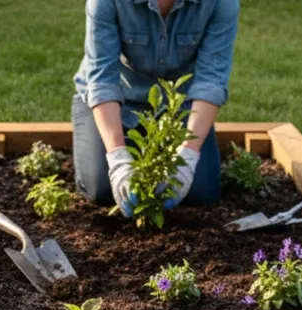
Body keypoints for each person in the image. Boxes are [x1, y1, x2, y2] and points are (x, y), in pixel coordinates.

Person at [72, 0, 240, 217]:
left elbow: (211, 82)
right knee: (101, 189)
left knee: (201, 192)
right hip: (119, 101)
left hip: (178, 104)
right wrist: (118, 158)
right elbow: (102, 81)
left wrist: (188, 156)